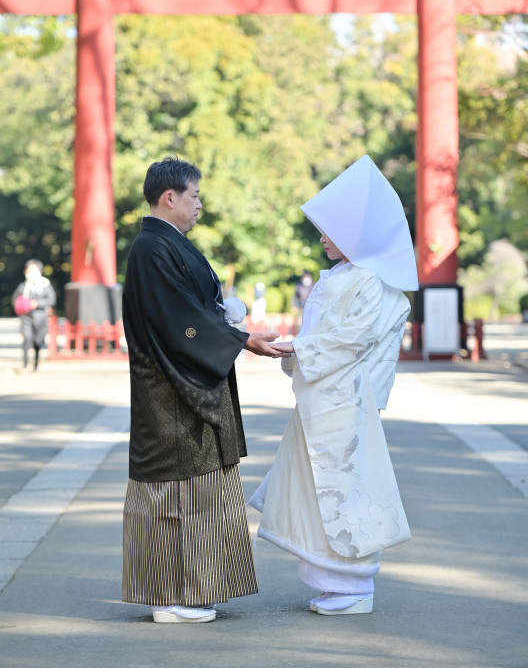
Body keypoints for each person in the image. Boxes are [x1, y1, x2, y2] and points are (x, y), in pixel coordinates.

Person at [250, 155, 419, 616]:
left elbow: (354, 339)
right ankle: (335, 580)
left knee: (344, 485)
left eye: (329, 230)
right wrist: (300, 349)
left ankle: (353, 585)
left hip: (343, 400)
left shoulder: (366, 279)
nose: (322, 238)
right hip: (327, 398)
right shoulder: (350, 276)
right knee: (320, 485)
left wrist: (300, 350)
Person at [121, 156, 283, 625]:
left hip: (184, 379)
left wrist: (229, 325)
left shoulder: (166, 244)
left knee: (195, 490)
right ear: (169, 197)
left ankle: (186, 590)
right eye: (195, 196)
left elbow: (196, 308)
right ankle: (174, 595)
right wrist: (240, 338)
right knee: (176, 492)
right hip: (170, 387)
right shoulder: (151, 249)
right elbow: (179, 321)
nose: (199, 205)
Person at [11, 259, 56, 372]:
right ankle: (25, 363)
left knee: (38, 340)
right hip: (26, 317)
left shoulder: (45, 286)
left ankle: (35, 363)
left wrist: (36, 303)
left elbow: (51, 300)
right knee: (27, 338)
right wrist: (22, 306)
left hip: (40, 317)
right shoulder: (22, 287)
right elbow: (15, 300)